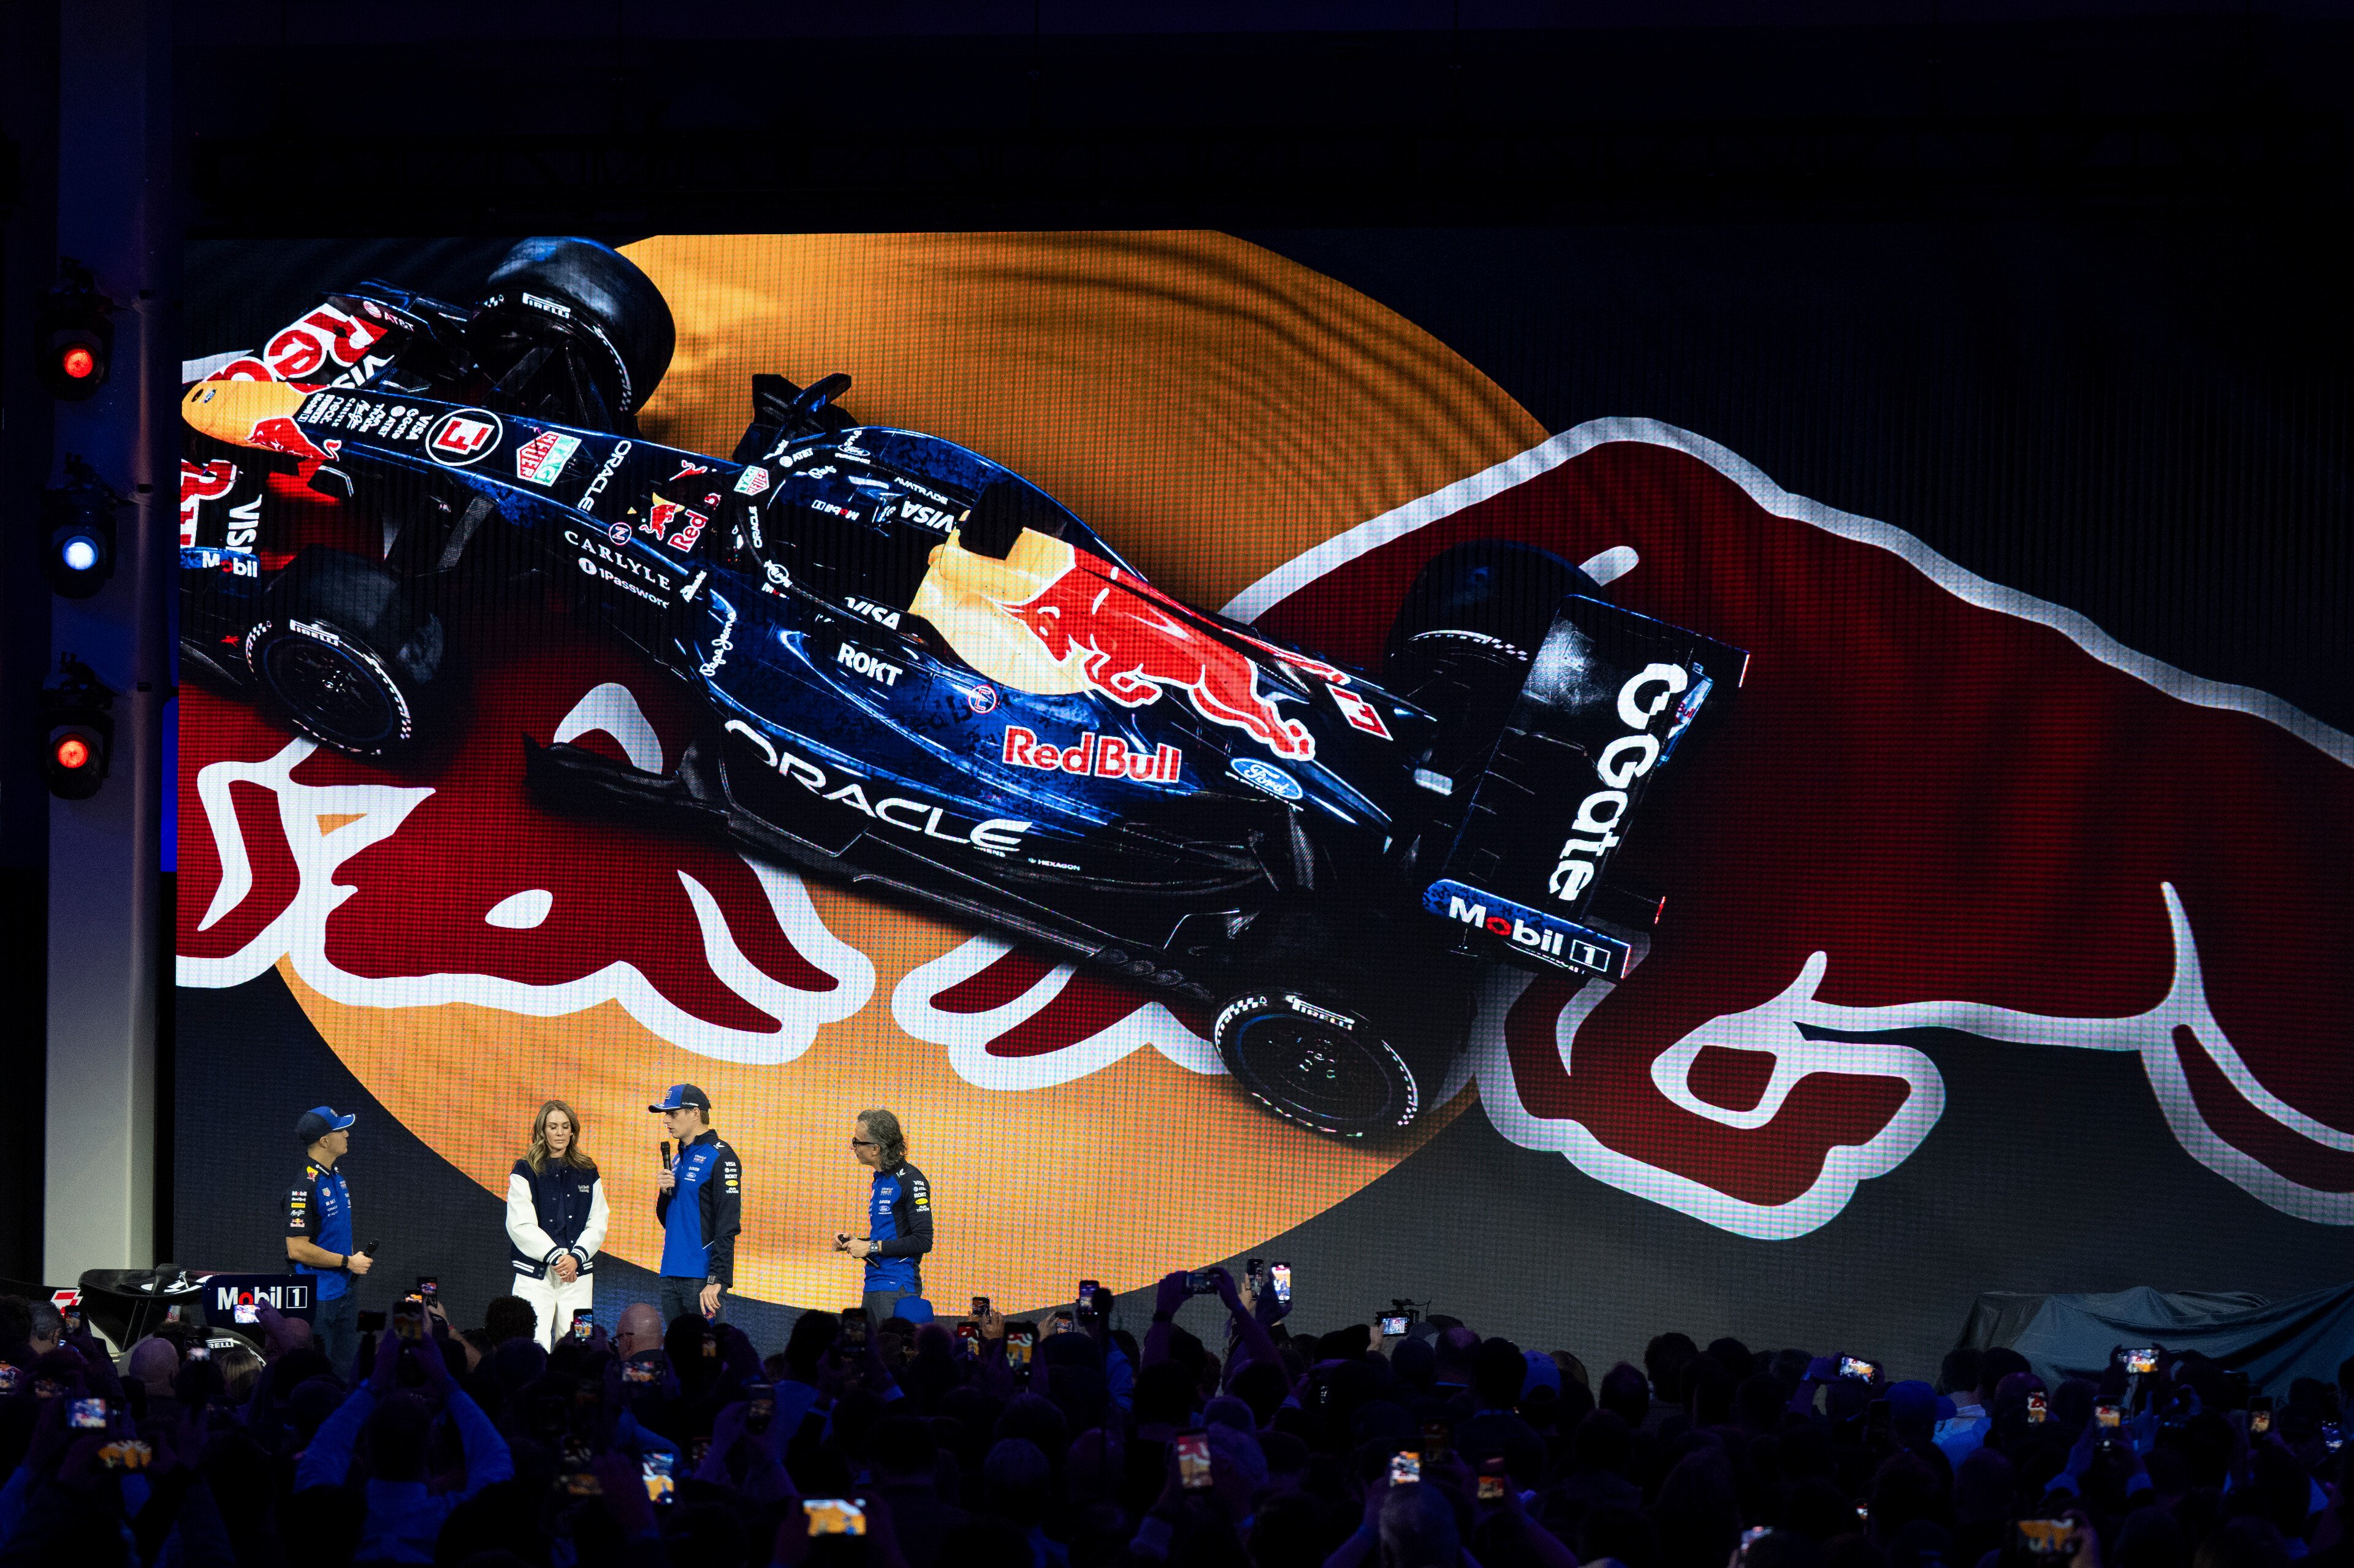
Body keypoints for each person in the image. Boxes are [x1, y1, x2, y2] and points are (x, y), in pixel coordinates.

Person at [504, 1097, 611, 1349]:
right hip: (534, 1273)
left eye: (565, 1126)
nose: (560, 1133)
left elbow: (598, 1221)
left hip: (579, 1274)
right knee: (531, 1340)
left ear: (573, 1131)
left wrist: (575, 1258)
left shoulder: (588, 1170)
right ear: (542, 1131)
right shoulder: (524, 1169)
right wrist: (556, 1258)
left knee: (582, 1339)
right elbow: (520, 1224)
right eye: (553, 1127)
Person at [283, 1104, 371, 1372]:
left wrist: (349, 1265)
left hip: (344, 1290)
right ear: (324, 1141)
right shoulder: (303, 1189)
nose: (347, 1134)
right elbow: (297, 1250)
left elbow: (338, 1231)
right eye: (340, 1130)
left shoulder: (337, 1177)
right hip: (318, 1297)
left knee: (346, 1369)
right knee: (320, 1371)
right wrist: (348, 1262)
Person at [832, 1106, 935, 1322]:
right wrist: (856, 1242)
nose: (852, 1147)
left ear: (875, 1149)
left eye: (857, 1142)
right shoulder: (880, 1180)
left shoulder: (911, 1180)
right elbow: (890, 1238)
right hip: (874, 1284)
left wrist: (869, 1247)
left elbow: (923, 1241)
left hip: (898, 1287)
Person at [650, 1083, 741, 1325]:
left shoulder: (721, 1157)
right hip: (670, 1274)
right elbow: (669, 1221)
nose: (666, 1120)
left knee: (708, 1346)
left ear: (695, 1113)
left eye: (672, 1113)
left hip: (701, 1279)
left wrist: (717, 1278)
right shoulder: (677, 1159)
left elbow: (728, 1224)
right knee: (676, 1345)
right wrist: (664, 1193)